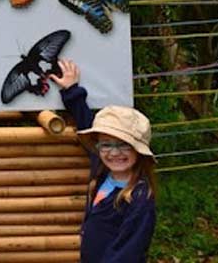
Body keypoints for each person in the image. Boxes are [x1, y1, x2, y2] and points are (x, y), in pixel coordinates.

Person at [49, 58, 157, 263]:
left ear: (138, 150)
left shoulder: (140, 199)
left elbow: (128, 253)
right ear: (98, 146)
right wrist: (72, 91)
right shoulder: (102, 170)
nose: (114, 153)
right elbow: (87, 122)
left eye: (124, 144)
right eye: (107, 144)